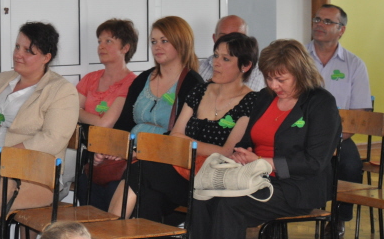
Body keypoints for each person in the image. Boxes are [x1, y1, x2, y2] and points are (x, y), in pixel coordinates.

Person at [192, 39, 342, 239]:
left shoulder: (320, 102)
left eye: (281, 79)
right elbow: (246, 141)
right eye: (269, 78)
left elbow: (315, 162)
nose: (273, 85)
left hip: (296, 187)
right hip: (254, 177)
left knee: (229, 205)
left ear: (300, 73)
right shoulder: (265, 96)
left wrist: (264, 163)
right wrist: (242, 153)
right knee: (202, 198)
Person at [109, 30, 259, 222]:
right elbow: (175, 135)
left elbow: (227, 151)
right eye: (215, 55)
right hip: (180, 169)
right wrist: (195, 145)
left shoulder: (251, 101)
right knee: (148, 195)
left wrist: (187, 143)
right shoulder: (200, 90)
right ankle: (121, 230)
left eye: (226, 59)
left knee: (142, 171)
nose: (216, 63)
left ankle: (110, 229)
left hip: (211, 178)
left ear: (245, 66)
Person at [0, 22, 79, 216]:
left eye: (28, 51)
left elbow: (53, 138)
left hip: (34, 175)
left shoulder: (61, 90)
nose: (18, 54)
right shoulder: (1, 79)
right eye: (17, 47)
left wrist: (6, 156)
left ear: (46, 57)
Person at [306, 4, 371, 234]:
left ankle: (338, 219)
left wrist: (334, 139)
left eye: (327, 21)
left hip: (340, 136)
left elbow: (359, 113)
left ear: (341, 30)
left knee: (351, 166)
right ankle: (289, 211)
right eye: (317, 19)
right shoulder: (298, 58)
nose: (319, 25)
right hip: (300, 132)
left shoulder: (354, 64)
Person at [75, 19, 138, 210]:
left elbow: (105, 124)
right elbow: (70, 111)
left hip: (116, 160)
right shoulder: (90, 79)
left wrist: (82, 114)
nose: (101, 46)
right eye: (99, 41)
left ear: (125, 47)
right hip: (90, 156)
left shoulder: (132, 83)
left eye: (108, 41)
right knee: (84, 189)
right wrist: (93, 118)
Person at [199, 15, 265, 91]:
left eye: (236, 38)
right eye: (223, 36)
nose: (228, 42)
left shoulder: (258, 75)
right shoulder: (198, 68)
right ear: (214, 38)